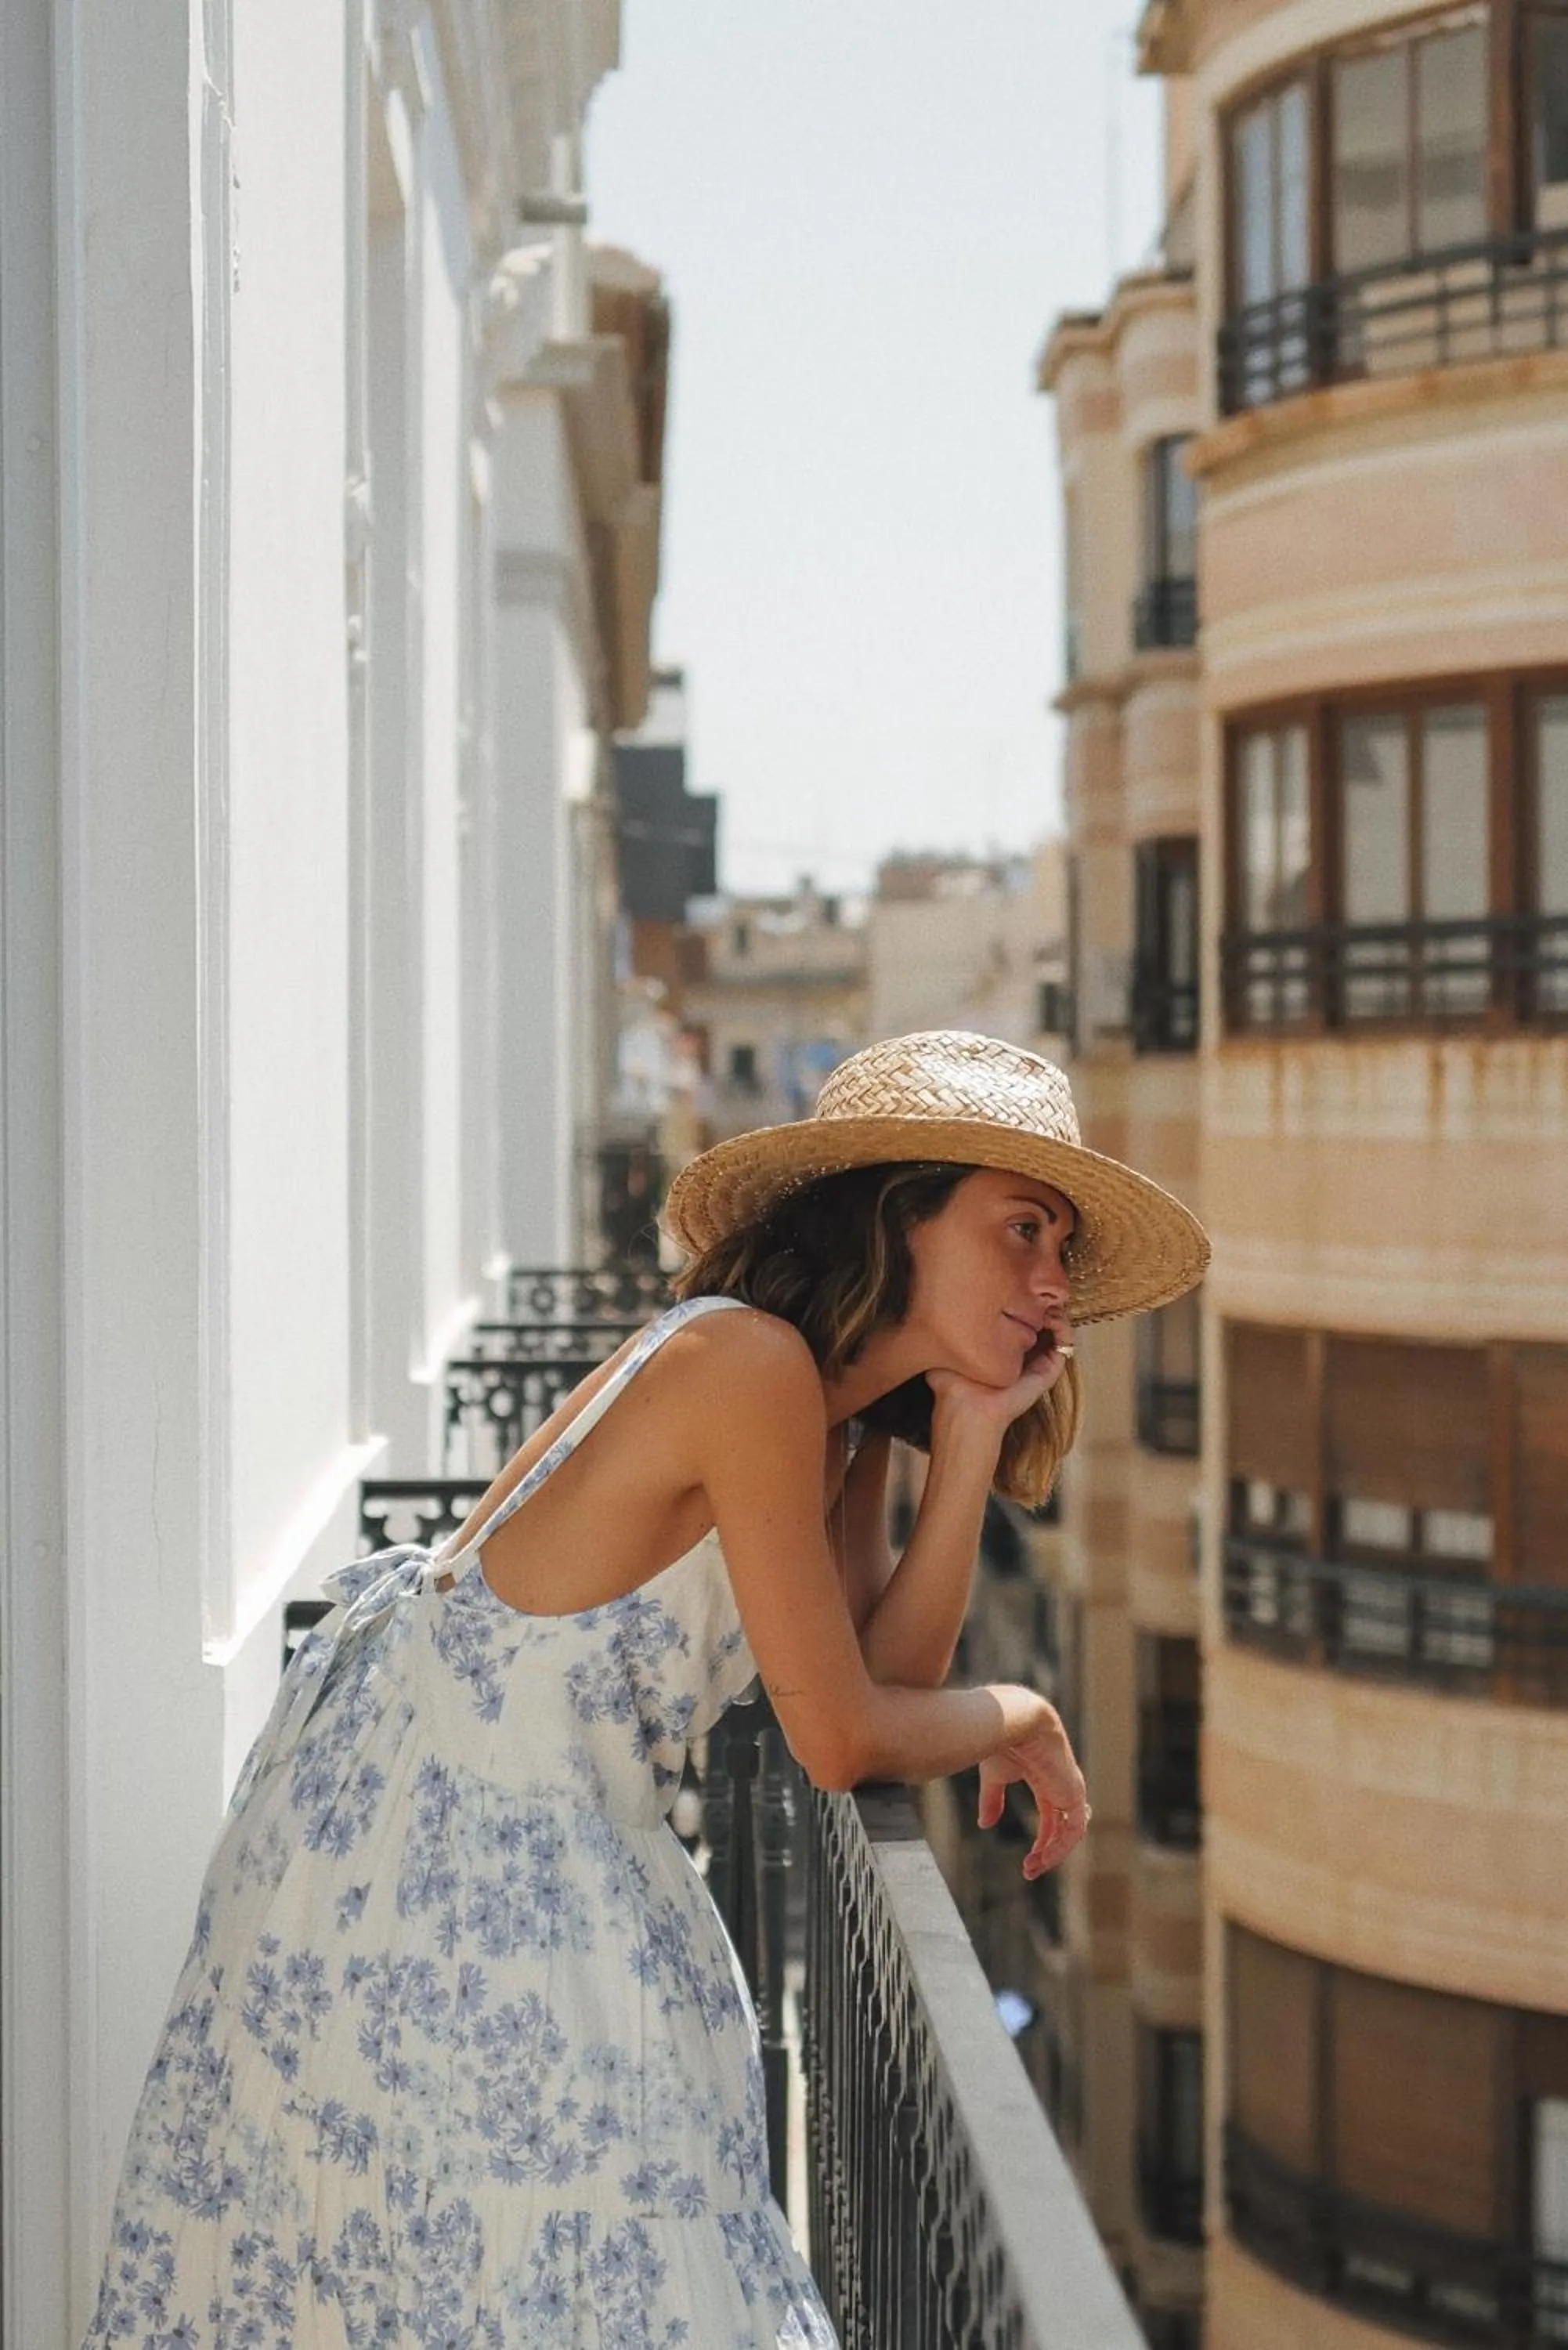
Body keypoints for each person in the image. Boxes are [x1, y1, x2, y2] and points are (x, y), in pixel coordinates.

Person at [81, 1029, 1208, 2348]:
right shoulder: (750, 1369)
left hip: (466, 1857)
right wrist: (1022, 1714)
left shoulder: (820, 1410)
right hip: (451, 1875)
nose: (1052, 1283)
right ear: (901, 1211)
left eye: (1063, 1250)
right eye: (1023, 1228)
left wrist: (962, 1441)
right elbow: (845, 1738)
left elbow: (875, 1689)